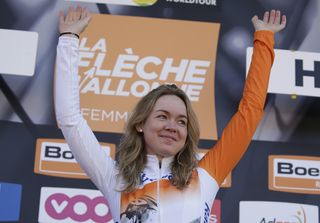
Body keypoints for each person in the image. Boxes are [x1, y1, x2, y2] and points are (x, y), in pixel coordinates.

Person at [55, 6, 286, 223]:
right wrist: (69, 40)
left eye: (182, 121)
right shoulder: (115, 179)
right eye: (162, 116)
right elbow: (70, 120)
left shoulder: (206, 176)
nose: (172, 126)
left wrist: (264, 39)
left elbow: (250, 112)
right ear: (140, 124)